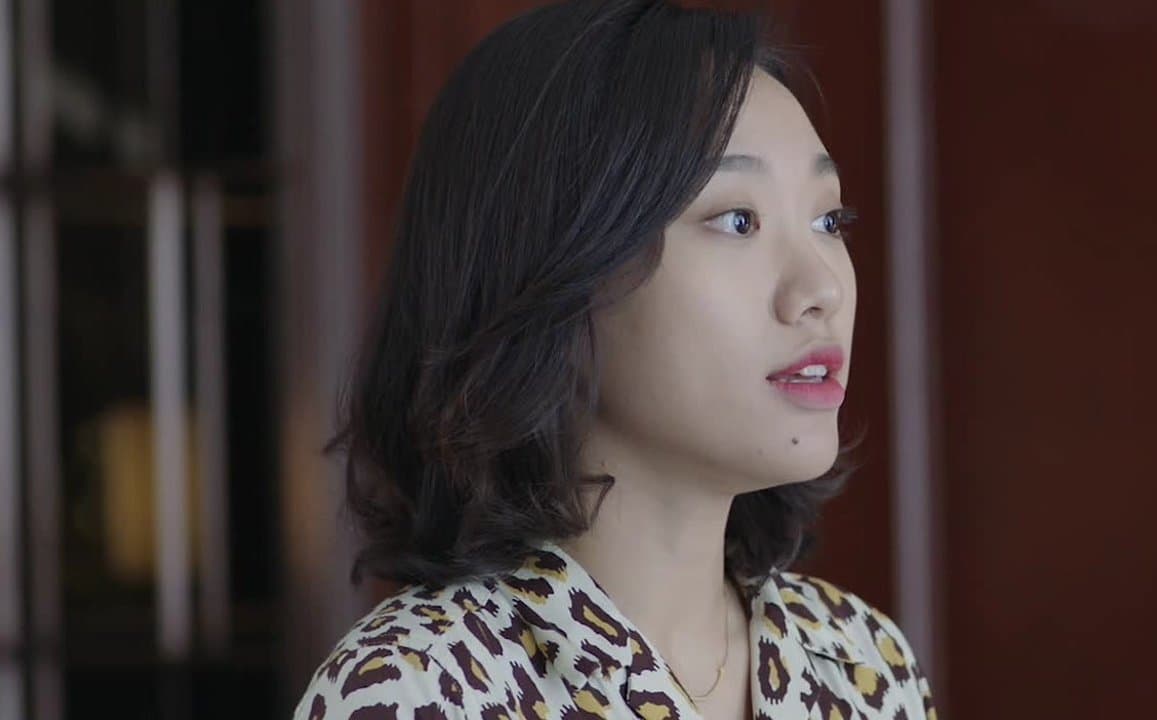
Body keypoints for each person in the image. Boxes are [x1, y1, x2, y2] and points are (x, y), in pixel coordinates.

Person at [293, 1, 938, 718]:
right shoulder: (415, 690)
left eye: (828, 220)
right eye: (738, 221)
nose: (822, 289)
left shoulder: (860, 661)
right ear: (554, 269)